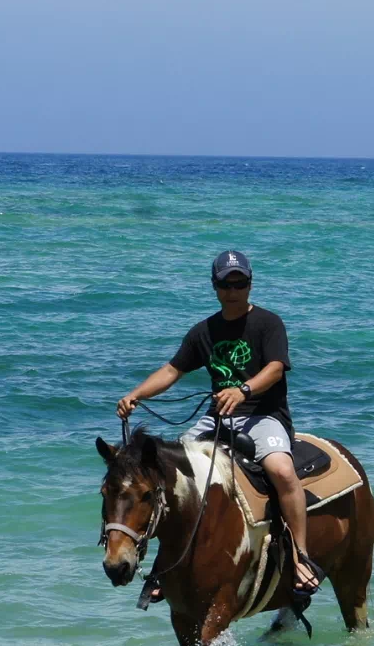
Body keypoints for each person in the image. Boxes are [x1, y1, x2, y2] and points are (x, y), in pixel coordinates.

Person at [116, 250, 321, 597]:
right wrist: (136, 395)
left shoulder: (269, 323)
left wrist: (243, 390)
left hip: (264, 416)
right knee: (170, 471)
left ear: (250, 283)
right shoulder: (204, 331)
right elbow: (172, 370)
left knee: (282, 470)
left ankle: (301, 554)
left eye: (239, 282)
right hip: (218, 419)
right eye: (226, 283)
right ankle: (163, 564)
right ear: (215, 286)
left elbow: (275, 368)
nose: (233, 289)